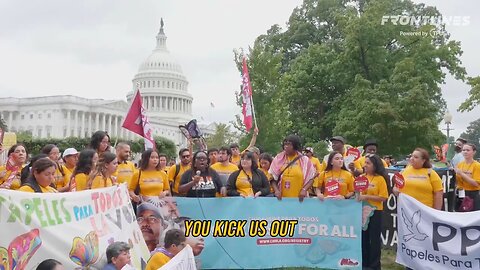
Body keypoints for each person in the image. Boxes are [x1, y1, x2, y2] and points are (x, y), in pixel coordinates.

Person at [356, 155, 388, 270]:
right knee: (363, 238)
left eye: (368, 163)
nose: (364, 165)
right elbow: (357, 194)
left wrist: (366, 196)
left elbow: (383, 197)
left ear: (375, 165)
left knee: (374, 239)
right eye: (365, 163)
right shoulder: (360, 177)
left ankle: (374, 265)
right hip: (362, 212)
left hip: (376, 212)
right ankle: (364, 263)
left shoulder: (380, 179)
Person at [269, 135, 317, 201]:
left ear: (295, 145)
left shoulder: (305, 160)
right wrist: (276, 191)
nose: (286, 146)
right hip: (282, 199)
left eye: (289, 144)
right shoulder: (278, 158)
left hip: (299, 199)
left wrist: (304, 190)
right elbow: (272, 179)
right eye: (285, 144)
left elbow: (311, 179)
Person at [454, 143, 480, 211]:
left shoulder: (477, 166)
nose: (465, 152)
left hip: (472, 193)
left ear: (474, 152)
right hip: (460, 193)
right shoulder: (460, 164)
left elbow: (476, 183)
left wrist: (462, 174)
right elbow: (457, 180)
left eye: (468, 150)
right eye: (463, 150)